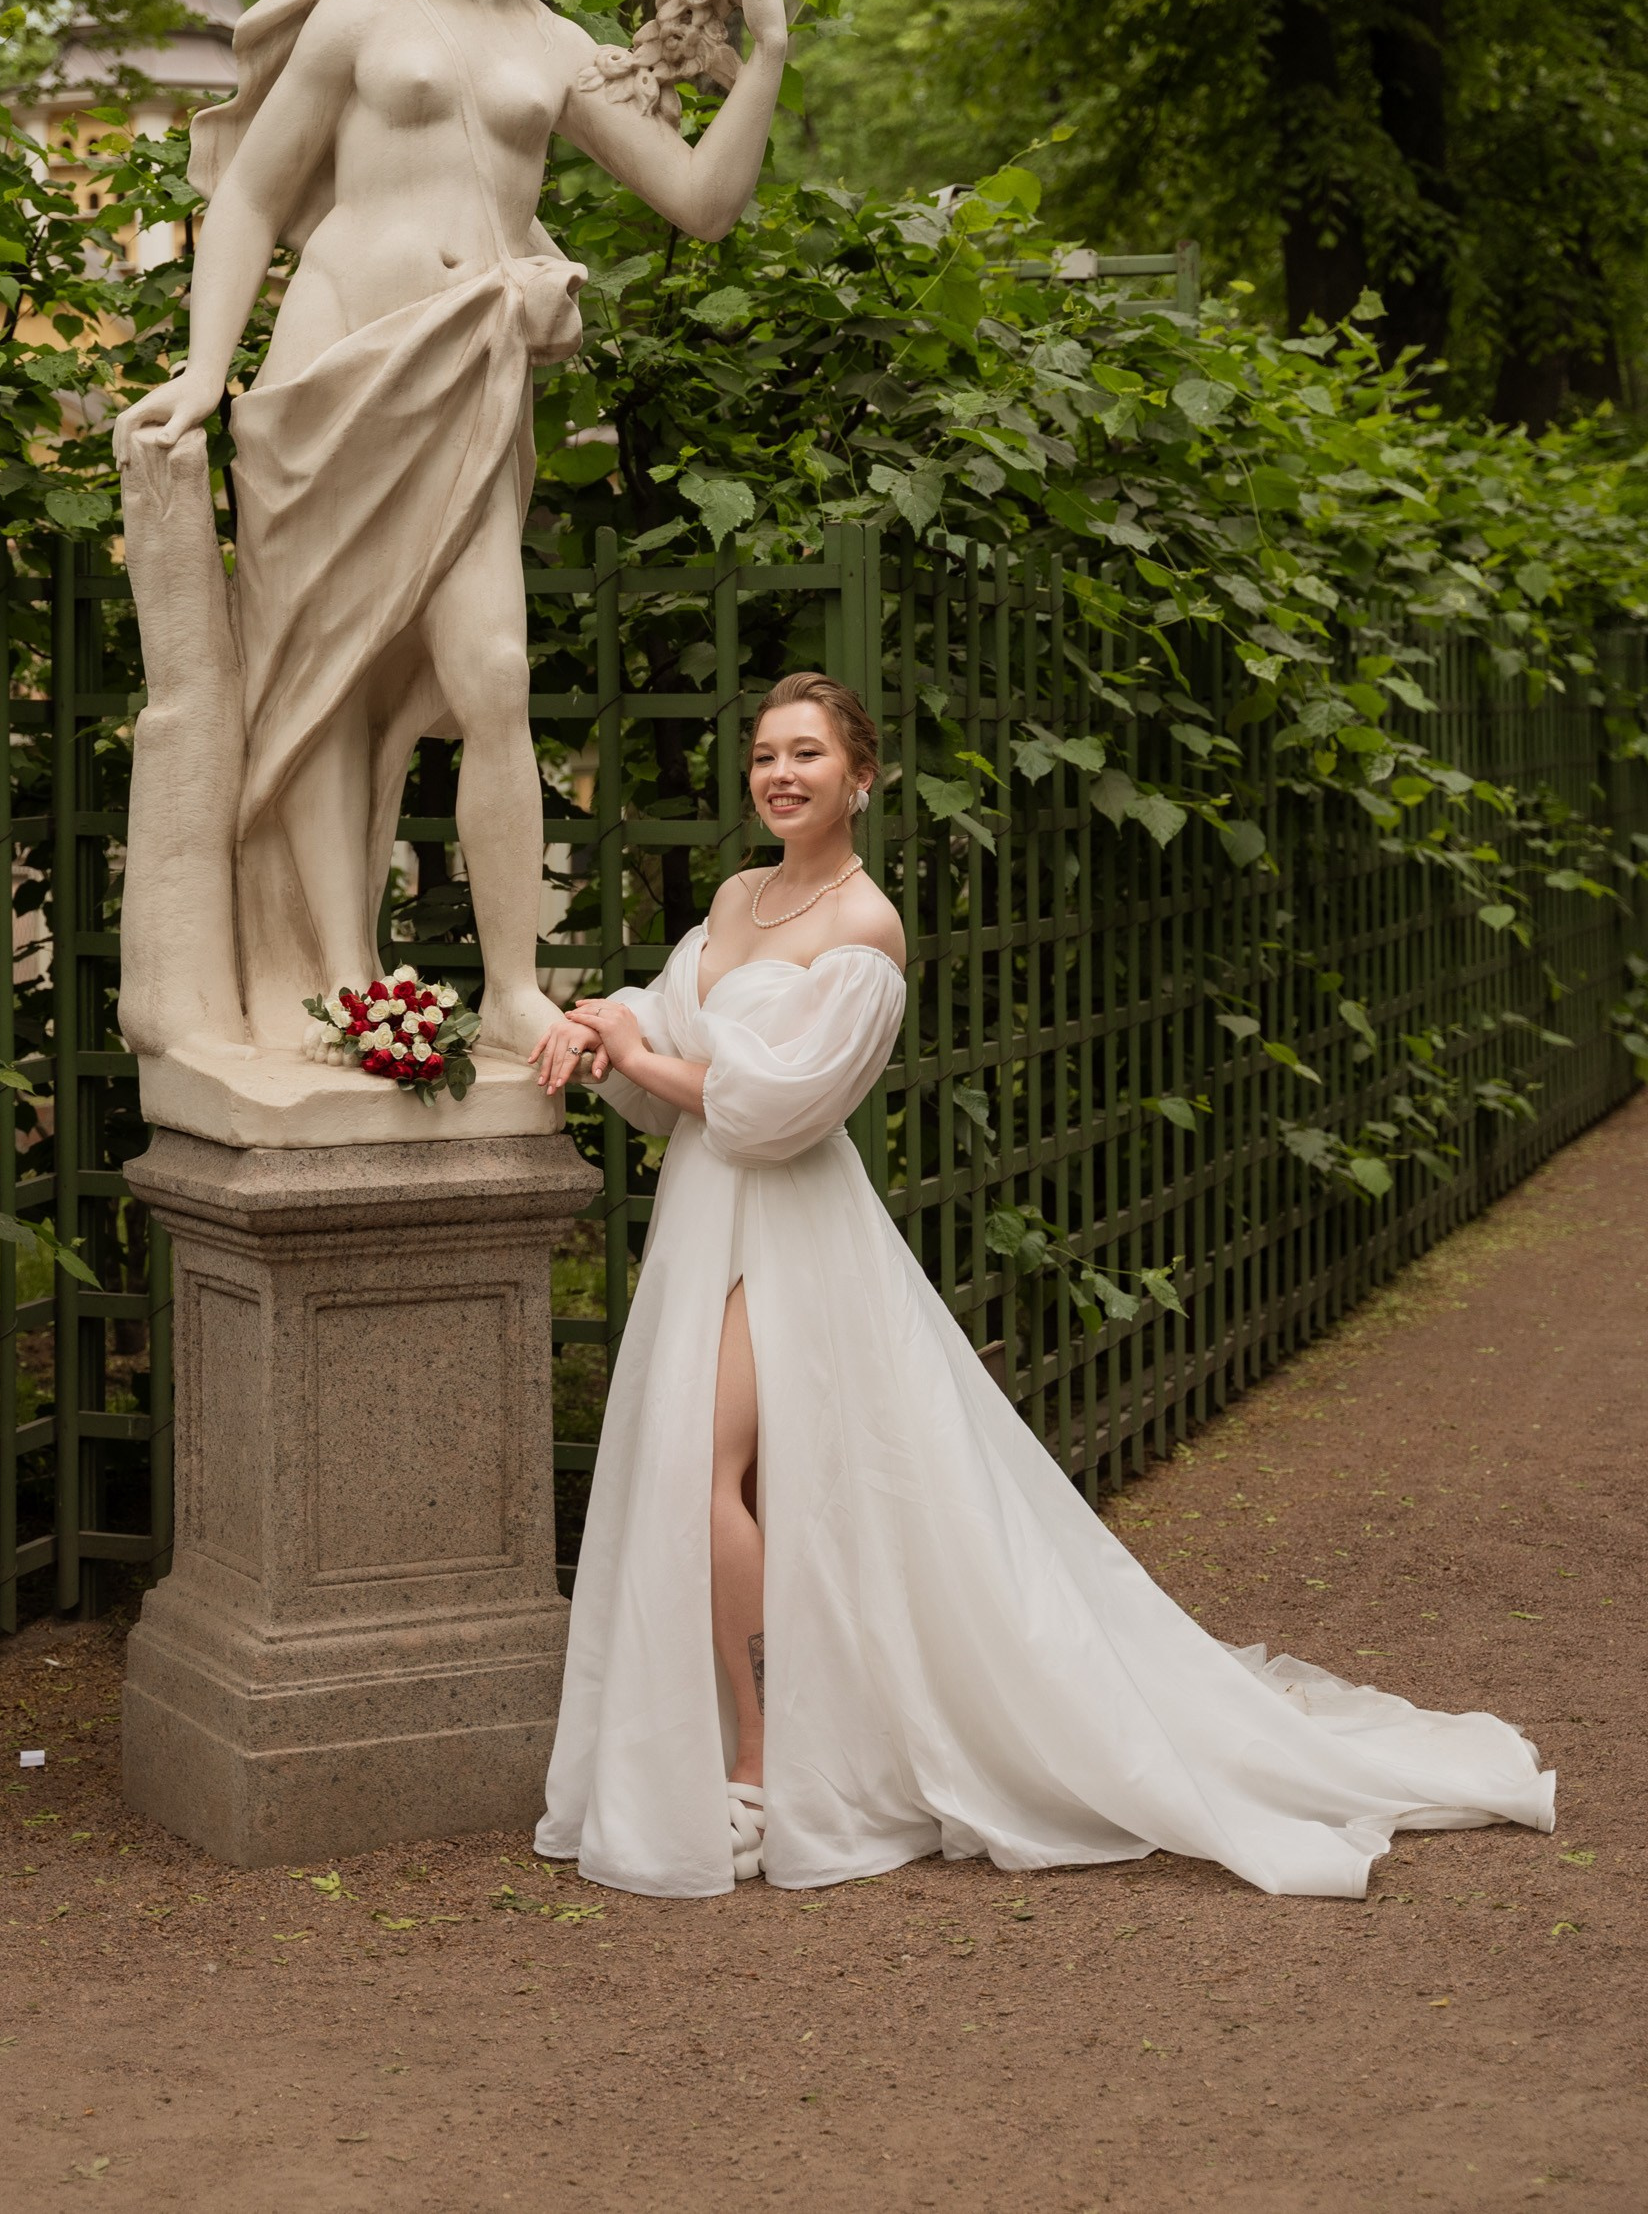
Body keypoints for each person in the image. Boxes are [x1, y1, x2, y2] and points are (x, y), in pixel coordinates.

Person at [529, 673, 1555, 1898]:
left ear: (862, 776)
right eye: (763, 754)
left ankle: (755, 1763)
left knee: (707, 1464)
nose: (779, 774)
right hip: (708, 1219)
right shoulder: (736, 896)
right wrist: (602, 1025)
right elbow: (668, 1011)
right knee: (721, 1471)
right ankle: (748, 1735)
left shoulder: (865, 931)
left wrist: (640, 1051)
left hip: (791, 1227)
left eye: (805, 753)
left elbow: (777, 1104)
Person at [112, 0, 788, 1060]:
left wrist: (765, 53)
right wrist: (204, 372)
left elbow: (701, 203)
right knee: (322, 679)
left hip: (468, 386)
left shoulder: (563, 53)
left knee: (493, 674)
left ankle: (514, 984)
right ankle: (347, 978)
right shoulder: (362, 13)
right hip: (330, 372)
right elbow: (250, 195)